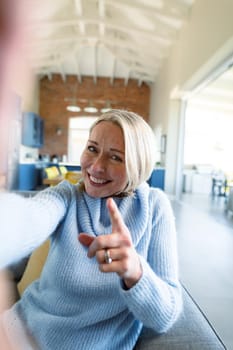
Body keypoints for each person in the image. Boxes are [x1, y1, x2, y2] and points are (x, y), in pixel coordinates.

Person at [0, 110, 182, 350]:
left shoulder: (154, 207)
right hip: (15, 332)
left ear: (138, 164)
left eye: (115, 157)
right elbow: (26, 221)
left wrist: (135, 271)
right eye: (93, 149)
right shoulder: (66, 196)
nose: (96, 167)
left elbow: (165, 317)